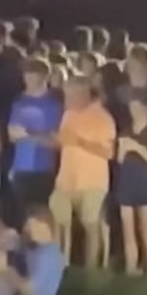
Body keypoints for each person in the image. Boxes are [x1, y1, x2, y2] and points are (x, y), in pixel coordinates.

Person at [51, 76, 115, 265]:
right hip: (66, 179)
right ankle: (61, 263)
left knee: (90, 224)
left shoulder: (103, 118)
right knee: (59, 220)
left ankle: (92, 267)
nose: (66, 100)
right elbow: (64, 141)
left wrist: (80, 142)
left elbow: (108, 152)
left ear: (83, 95)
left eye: (70, 96)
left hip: (92, 181)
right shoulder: (68, 115)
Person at [115, 91, 147, 274]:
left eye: (137, 107)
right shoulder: (126, 129)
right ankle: (131, 268)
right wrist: (123, 149)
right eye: (131, 107)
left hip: (146, 181)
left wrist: (137, 147)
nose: (134, 111)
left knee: (146, 230)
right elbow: (119, 160)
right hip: (127, 181)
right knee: (128, 230)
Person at [8, 59, 63, 220]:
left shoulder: (52, 105)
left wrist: (28, 135)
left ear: (43, 77)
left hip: (43, 170)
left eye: (32, 75)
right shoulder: (19, 102)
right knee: (23, 217)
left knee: (42, 216)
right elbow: (12, 136)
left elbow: (55, 142)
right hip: (20, 170)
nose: (27, 79)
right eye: (26, 75)